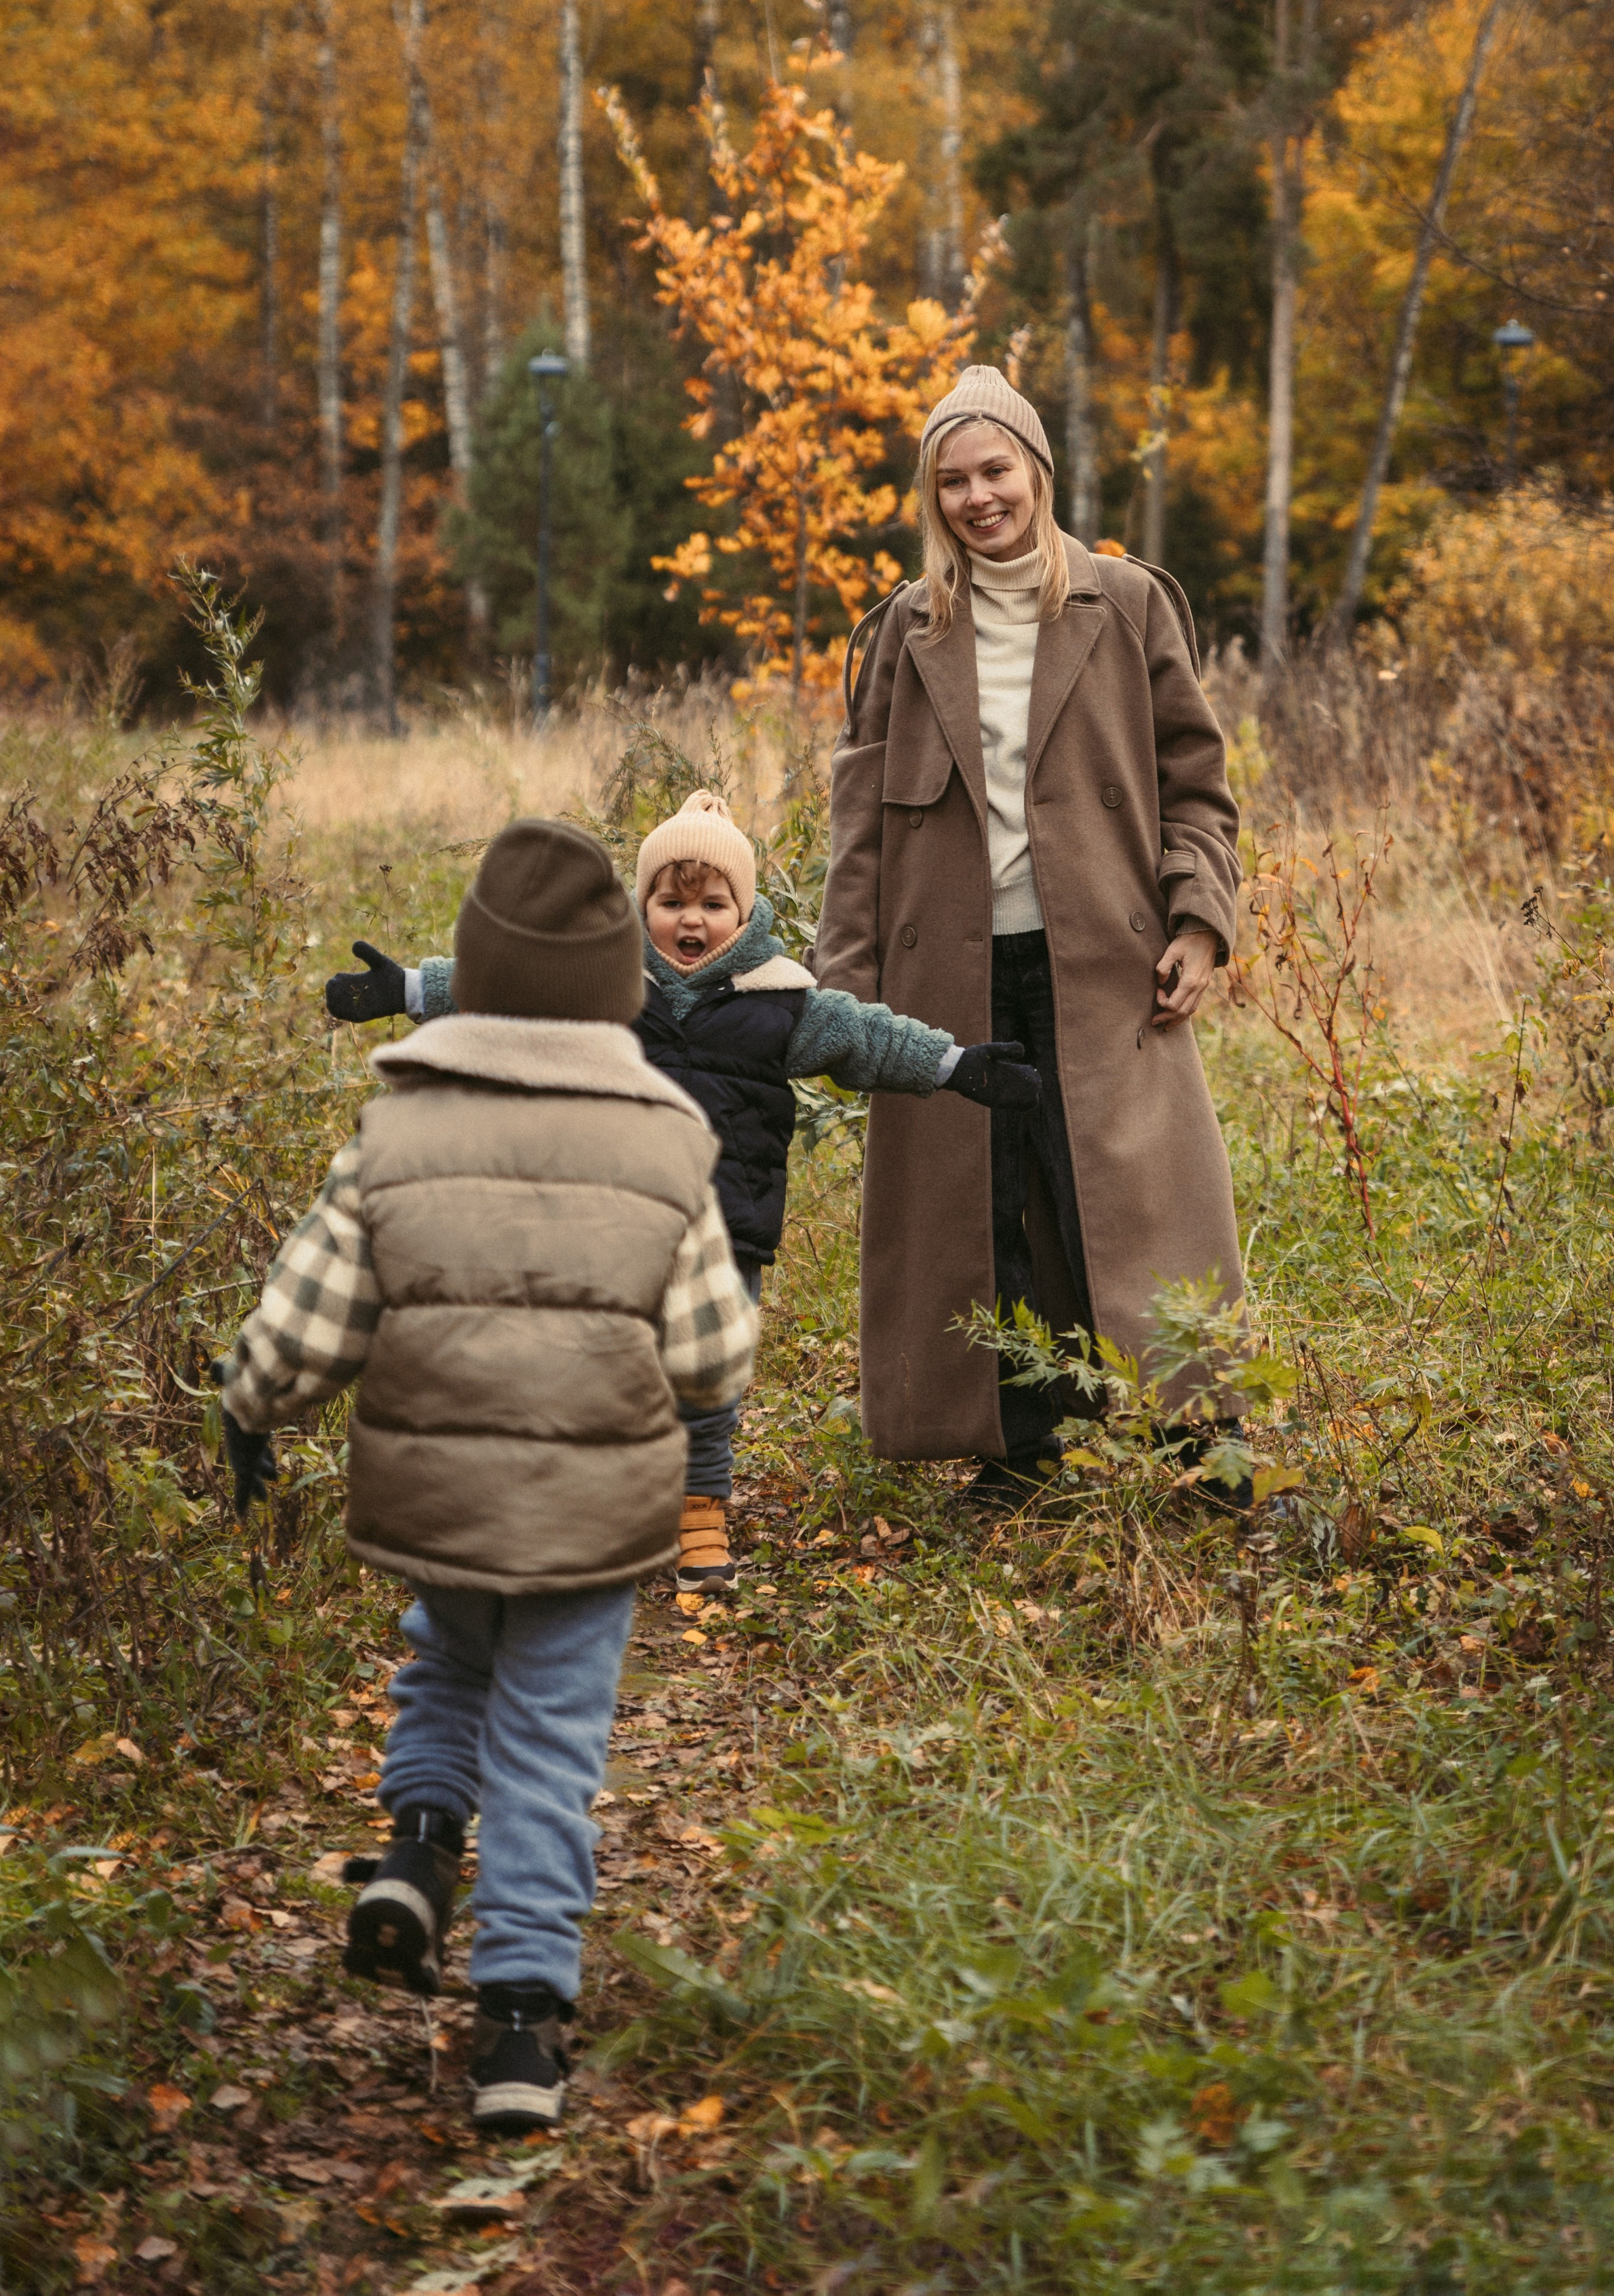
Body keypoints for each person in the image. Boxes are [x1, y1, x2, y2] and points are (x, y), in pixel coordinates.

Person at [218, 820, 760, 2133]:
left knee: (448, 1661)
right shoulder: (669, 1142)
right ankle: (519, 2021)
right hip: (593, 1516)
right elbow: (711, 1354)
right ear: (612, 983)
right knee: (549, 1749)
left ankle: (411, 1851)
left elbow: (307, 1321)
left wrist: (253, 1408)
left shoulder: (396, 1130)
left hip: (436, 1497)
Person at [323, 791, 1041, 1577]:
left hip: (724, 1229)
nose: (689, 920)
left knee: (704, 1377)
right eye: (670, 901)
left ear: (746, 911)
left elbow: (868, 1038)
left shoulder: (782, 1001)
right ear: (642, 906)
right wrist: (408, 991)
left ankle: (699, 1512)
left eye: (711, 902)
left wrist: (955, 1064)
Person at [812, 362, 1245, 1494]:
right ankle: (1023, 1442)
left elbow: (1197, 783)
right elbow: (859, 820)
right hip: (946, 963)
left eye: (995, 468)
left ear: (1037, 471)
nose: (977, 496)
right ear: (932, 495)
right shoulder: (904, 631)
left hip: (1106, 954)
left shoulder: (1128, 600)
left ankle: (1196, 1440)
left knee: (1126, 1194)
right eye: (951, 479)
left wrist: (1200, 917)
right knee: (982, 1201)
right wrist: (842, 987)